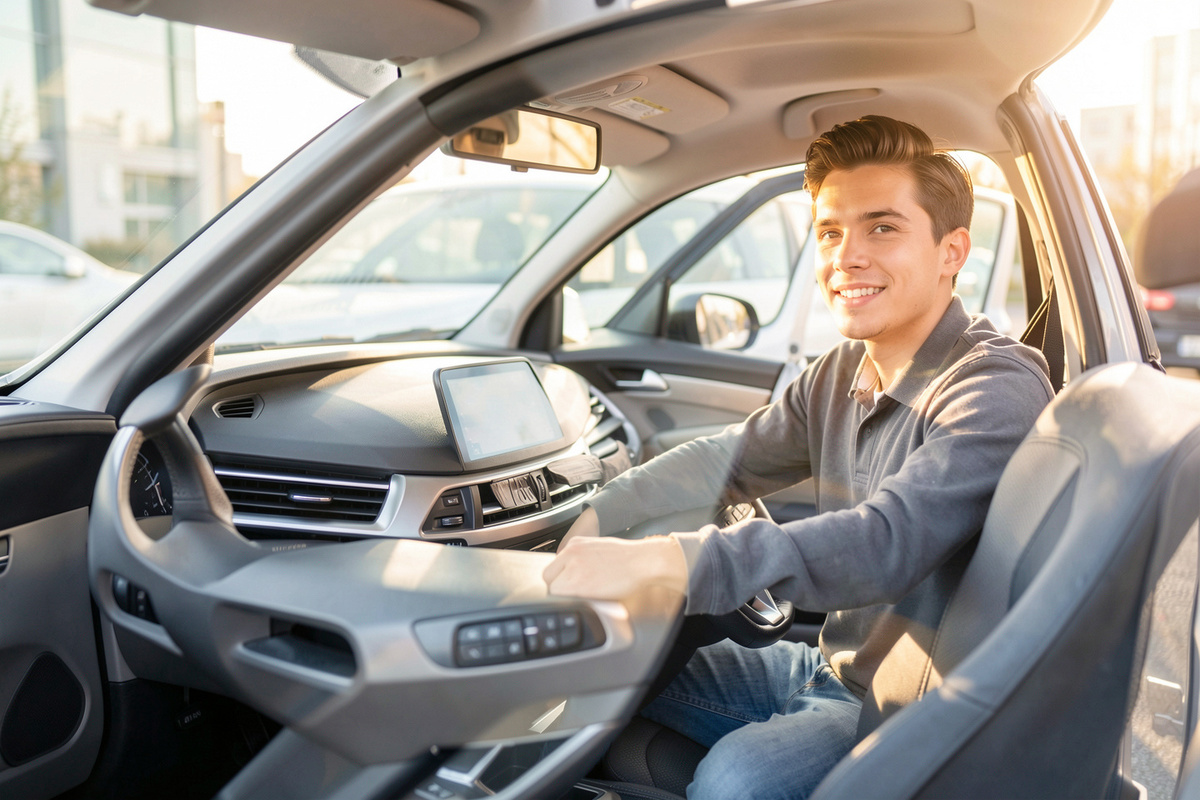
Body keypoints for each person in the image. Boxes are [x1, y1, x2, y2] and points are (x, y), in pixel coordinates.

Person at [542, 115, 1055, 799]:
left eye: (882, 228)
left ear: (951, 251)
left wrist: (670, 562)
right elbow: (729, 459)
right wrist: (606, 511)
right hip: (828, 669)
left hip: (910, 709)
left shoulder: (994, 387)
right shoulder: (842, 372)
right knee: (609, 664)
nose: (847, 257)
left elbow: (884, 544)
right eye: (830, 232)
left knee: (734, 781)